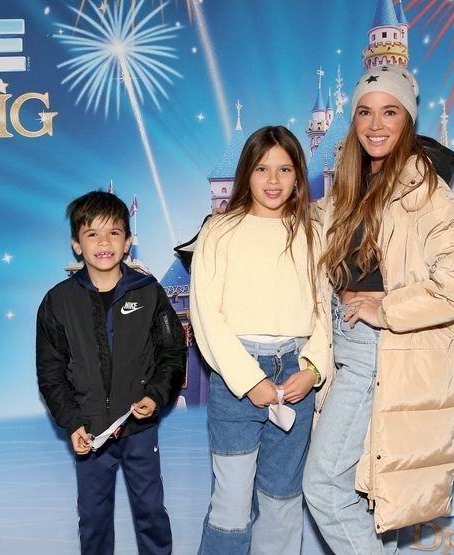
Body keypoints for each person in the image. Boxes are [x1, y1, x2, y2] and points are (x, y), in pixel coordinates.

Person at [303, 65, 454, 554]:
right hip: (343, 349)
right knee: (365, 495)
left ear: (407, 119)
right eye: (365, 111)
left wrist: (389, 307)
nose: (375, 124)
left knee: (323, 486)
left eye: (390, 111)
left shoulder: (423, 188)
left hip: (378, 351)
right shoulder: (354, 183)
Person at [190, 125, 331, 554]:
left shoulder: (313, 231)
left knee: (283, 502)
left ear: (298, 174)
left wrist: (312, 369)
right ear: (245, 174)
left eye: (284, 169)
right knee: (231, 503)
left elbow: (327, 309)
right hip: (237, 376)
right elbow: (205, 314)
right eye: (262, 168)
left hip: (295, 375)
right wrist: (249, 380)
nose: (273, 180)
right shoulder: (219, 230)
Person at [36, 190, 187, 555]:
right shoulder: (58, 301)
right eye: (92, 234)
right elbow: (50, 373)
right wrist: (73, 423)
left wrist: (155, 396)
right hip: (90, 434)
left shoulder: (150, 293)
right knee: (94, 519)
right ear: (76, 244)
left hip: (138, 429)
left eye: (114, 233)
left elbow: (172, 353)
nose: (104, 243)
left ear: (128, 241)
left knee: (151, 511)